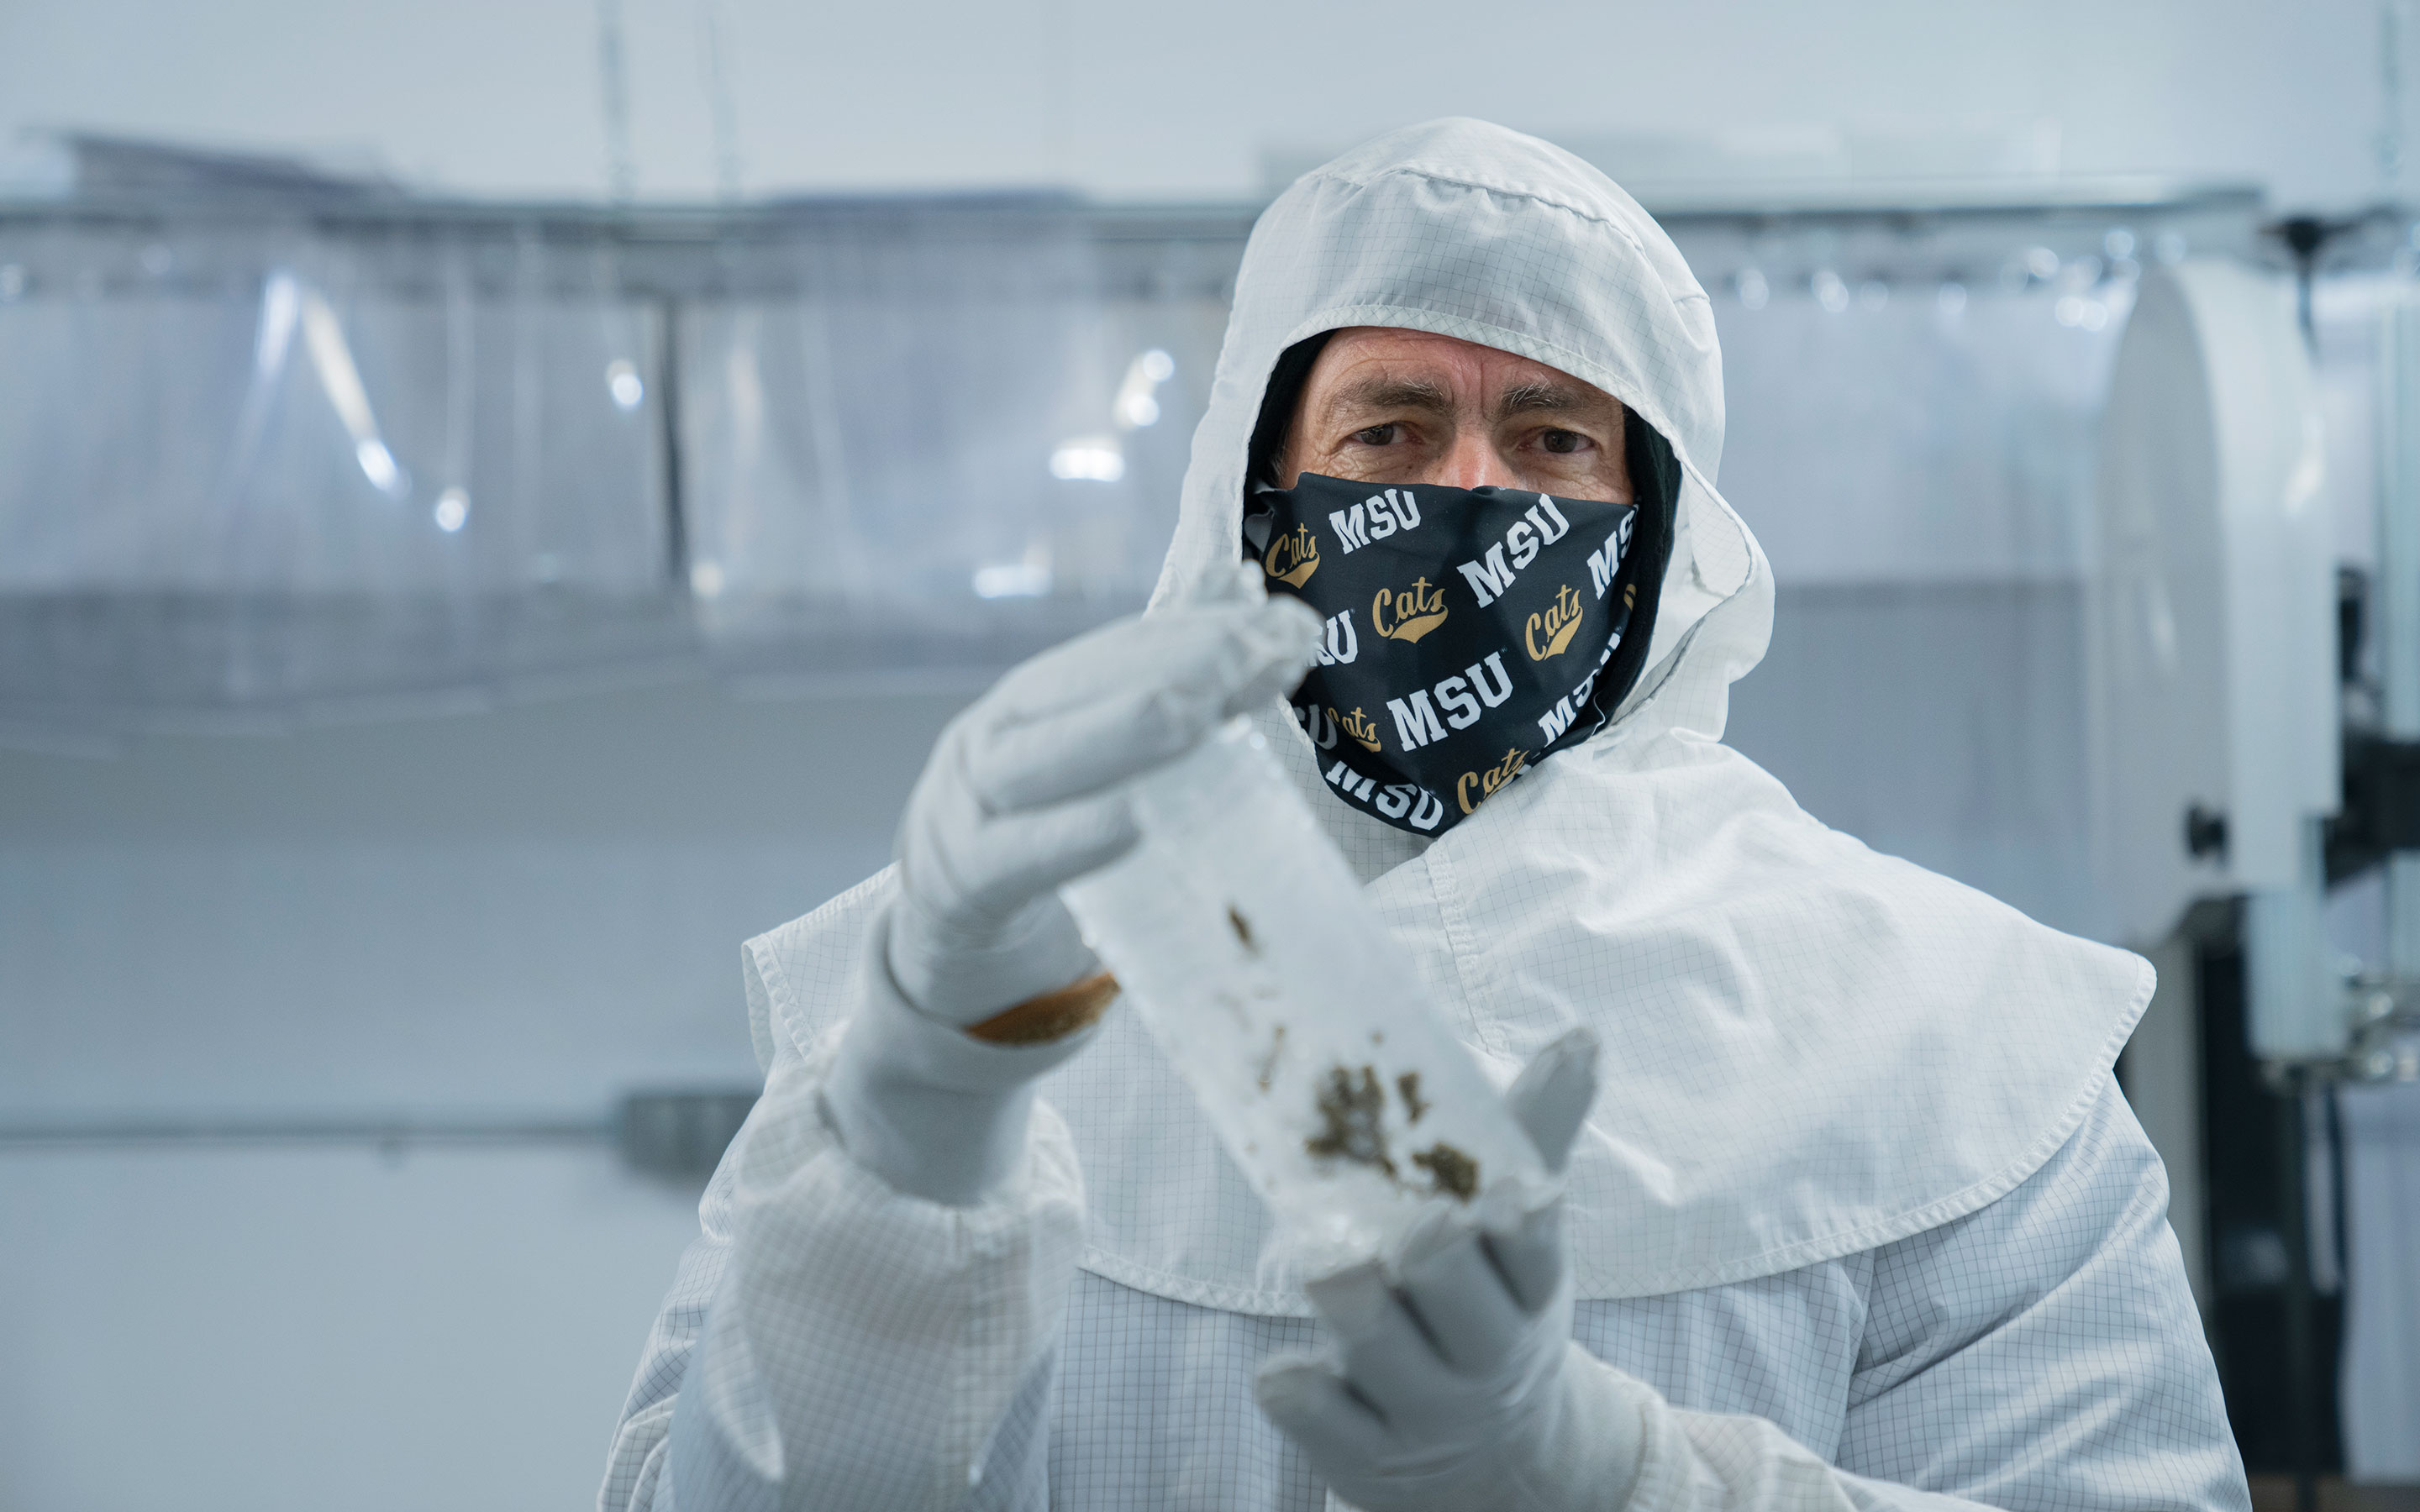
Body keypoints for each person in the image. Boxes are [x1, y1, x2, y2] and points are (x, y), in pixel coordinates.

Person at [600, 118, 2249, 1512]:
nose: (1469, 502)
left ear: (1656, 532)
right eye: (1388, 429)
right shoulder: (967, 972)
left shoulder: (1945, 1041)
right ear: (1256, 498)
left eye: (1552, 438)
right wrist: (914, 1118)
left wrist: (1616, 1481)